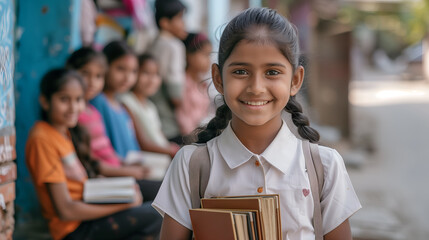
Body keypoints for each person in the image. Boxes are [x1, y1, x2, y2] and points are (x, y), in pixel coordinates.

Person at [152, 8, 361, 240]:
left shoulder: (324, 167)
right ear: (219, 79)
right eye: (241, 71)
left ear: (295, 80)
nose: (256, 87)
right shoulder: (191, 165)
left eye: (272, 72)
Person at [26, 68, 162, 240]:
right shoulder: (42, 138)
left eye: (78, 100)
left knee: (158, 193)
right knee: (157, 213)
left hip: (87, 208)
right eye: (64, 99)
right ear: (45, 101)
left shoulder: (63, 133)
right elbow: (66, 210)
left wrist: (119, 191)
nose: (73, 107)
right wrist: (124, 204)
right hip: (73, 230)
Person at [66, 47, 162, 201]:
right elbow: (90, 161)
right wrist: (126, 171)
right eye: (85, 74)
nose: (91, 82)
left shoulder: (93, 111)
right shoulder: (78, 113)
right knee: (164, 193)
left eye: (98, 76)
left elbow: (106, 150)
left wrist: (125, 166)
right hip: (107, 177)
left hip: (119, 168)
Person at [90, 40, 177, 159]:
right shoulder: (99, 102)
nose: (127, 77)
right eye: (120, 69)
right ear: (105, 66)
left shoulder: (120, 107)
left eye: (133, 71)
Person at [119, 54, 180, 155]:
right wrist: (172, 151)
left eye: (156, 74)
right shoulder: (127, 102)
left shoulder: (150, 106)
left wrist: (172, 148)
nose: (152, 80)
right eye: (146, 73)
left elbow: (160, 138)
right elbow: (142, 143)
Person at [149, 0, 188, 144]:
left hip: (154, 116)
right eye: (179, 18)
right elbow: (175, 94)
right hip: (169, 122)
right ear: (165, 22)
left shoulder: (154, 43)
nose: (183, 23)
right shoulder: (173, 46)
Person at [175, 32, 212, 136]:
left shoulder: (203, 84)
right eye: (205, 55)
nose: (208, 60)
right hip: (189, 137)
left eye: (209, 55)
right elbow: (183, 117)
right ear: (189, 55)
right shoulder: (183, 83)